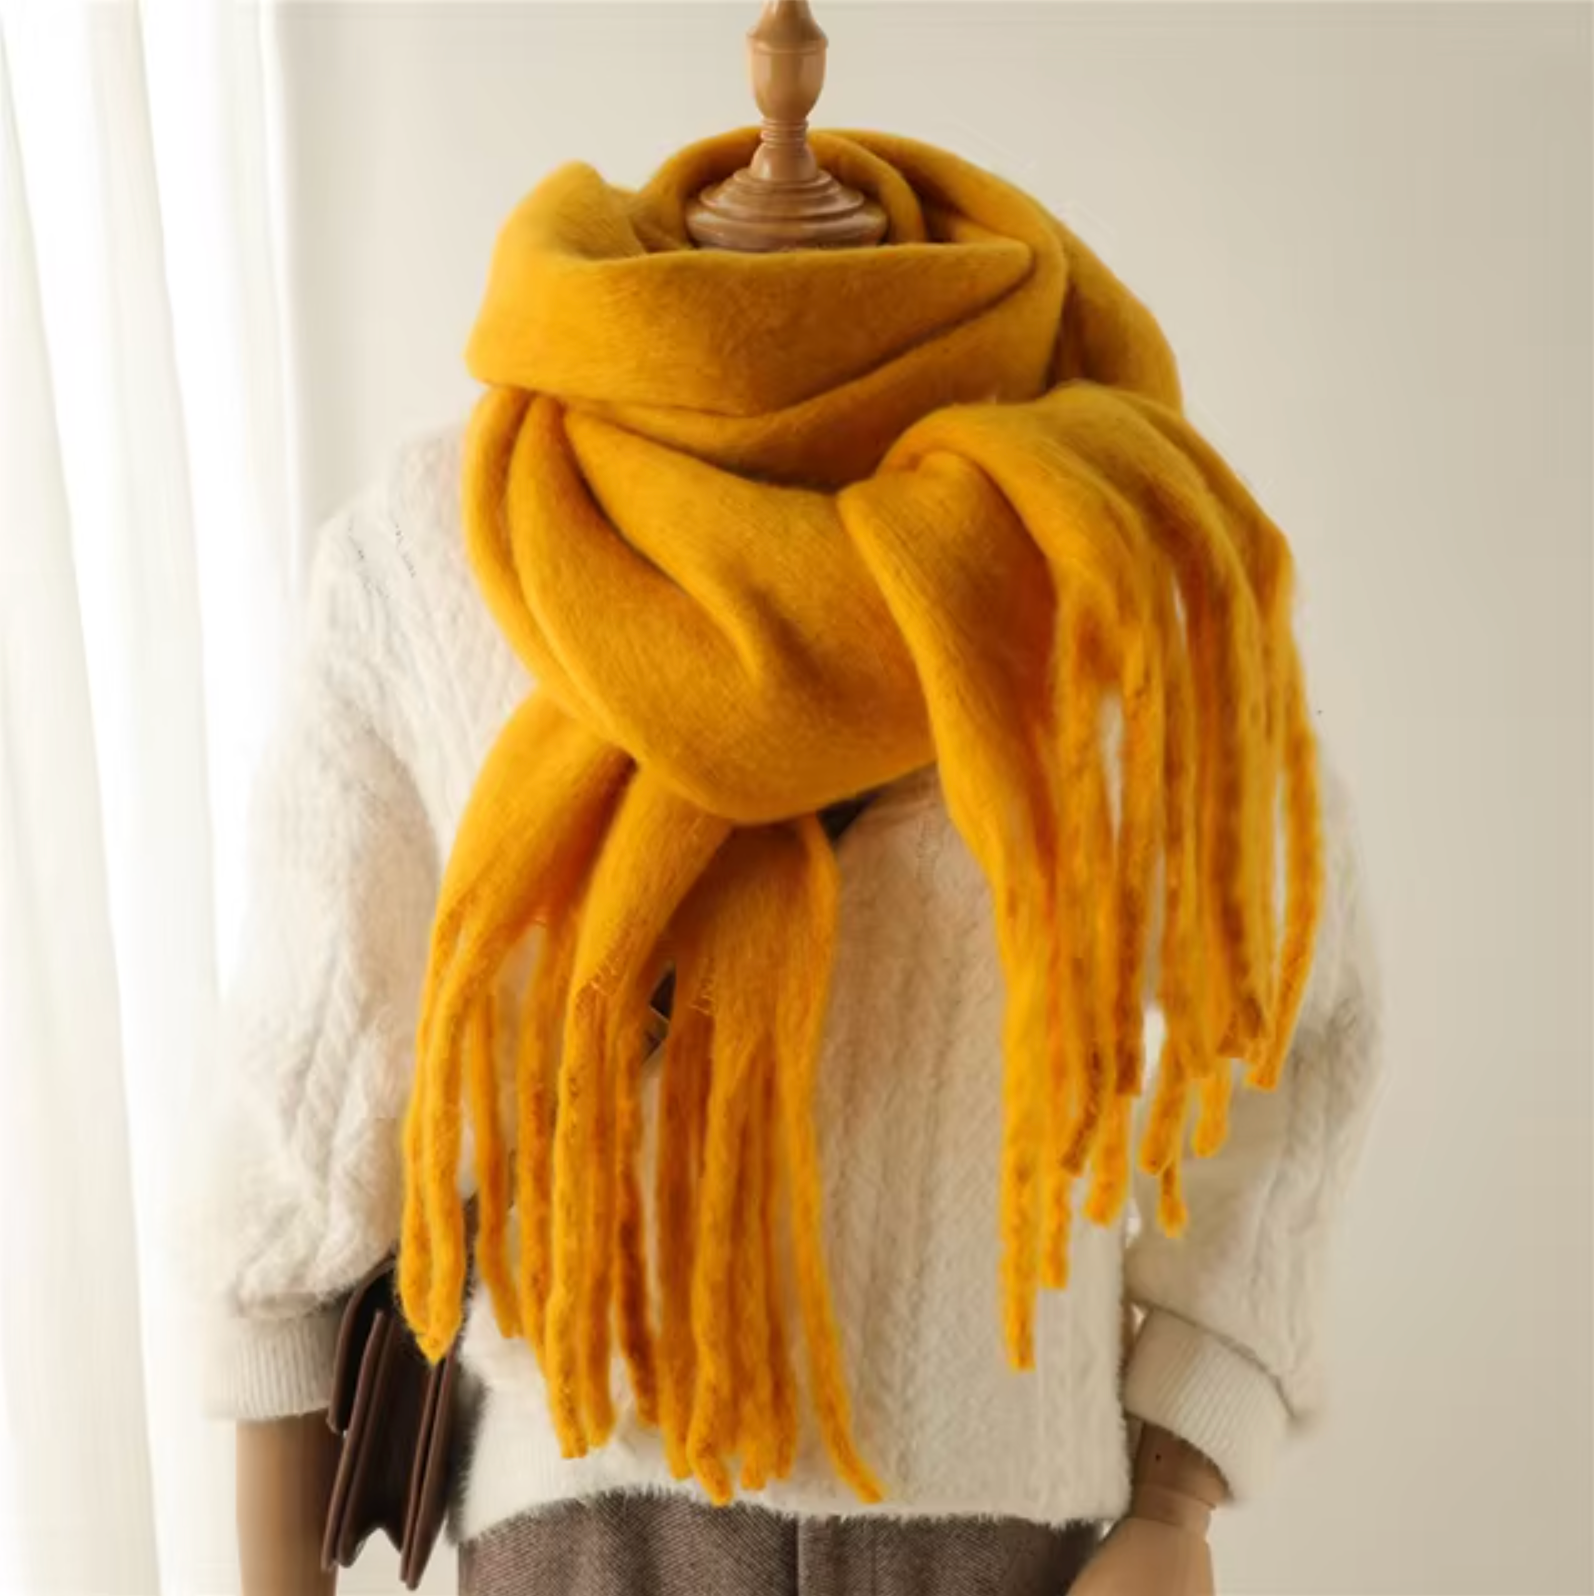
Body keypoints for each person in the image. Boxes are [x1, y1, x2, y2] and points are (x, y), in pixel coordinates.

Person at [193, 136, 1382, 1596]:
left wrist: (1177, 1498)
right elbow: (302, 1117)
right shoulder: (436, 548)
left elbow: (1295, 1021)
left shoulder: (1122, 559)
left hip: (1009, 1550)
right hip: (585, 1544)